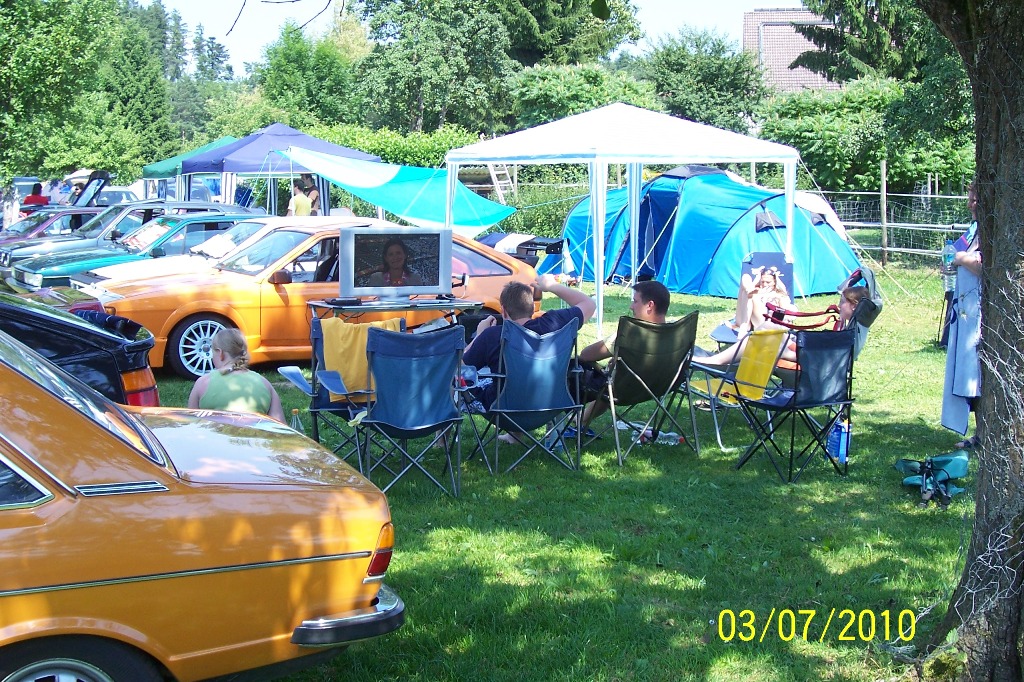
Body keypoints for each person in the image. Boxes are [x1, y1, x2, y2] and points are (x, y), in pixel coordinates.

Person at [464, 274, 597, 413]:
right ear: (533, 307)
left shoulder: (491, 336)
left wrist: (478, 336)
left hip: (503, 412)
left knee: (461, 383)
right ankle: (525, 430)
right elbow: (590, 304)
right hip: (551, 406)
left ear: (503, 311)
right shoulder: (555, 322)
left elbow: (459, 368)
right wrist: (552, 286)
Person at [697, 285, 871, 367]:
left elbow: (824, 353)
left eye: (843, 302)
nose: (839, 305)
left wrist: (797, 339)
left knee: (761, 339)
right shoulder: (851, 328)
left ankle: (717, 361)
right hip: (807, 350)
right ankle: (723, 359)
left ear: (854, 305)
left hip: (807, 358)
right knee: (767, 326)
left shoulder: (847, 334)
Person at [577, 280, 672, 428]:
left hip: (623, 390)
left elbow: (586, 355)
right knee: (609, 382)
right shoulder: (676, 333)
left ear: (650, 305)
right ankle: (581, 421)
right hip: (661, 387)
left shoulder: (630, 334)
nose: (631, 306)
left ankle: (575, 421)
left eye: (635, 301)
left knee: (580, 368)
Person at [942, 183, 982, 449]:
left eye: (974, 200)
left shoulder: (994, 230)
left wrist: (959, 258)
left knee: (979, 373)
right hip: (965, 312)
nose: (970, 204)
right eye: (969, 199)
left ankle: (986, 433)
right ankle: (980, 433)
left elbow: (984, 265)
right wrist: (951, 261)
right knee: (970, 372)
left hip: (980, 312)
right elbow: (957, 253)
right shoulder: (974, 229)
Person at [188, 328, 285, 422]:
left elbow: (191, 424)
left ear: (220, 353)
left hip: (214, 433)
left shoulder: (203, 383)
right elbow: (280, 426)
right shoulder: (264, 383)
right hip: (252, 433)